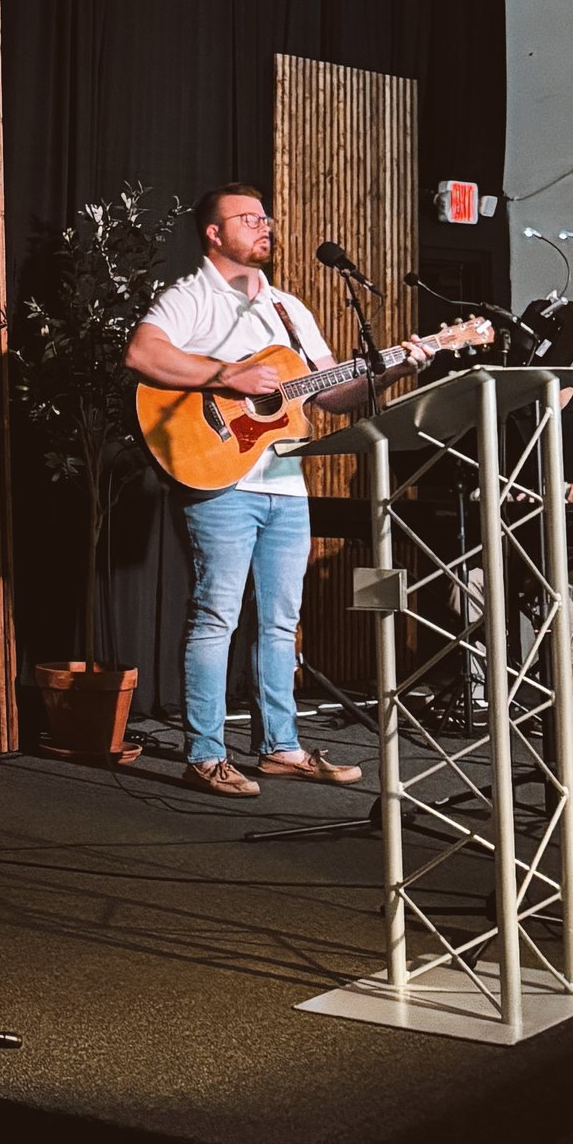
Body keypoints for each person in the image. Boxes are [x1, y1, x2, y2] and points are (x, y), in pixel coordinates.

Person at [125, 183, 384, 797]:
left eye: (265, 218)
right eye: (248, 219)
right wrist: (227, 375)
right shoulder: (191, 296)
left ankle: (281, 748)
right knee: (217, 615)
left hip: (286, 483)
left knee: (281, 621)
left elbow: (328, 392)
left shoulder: (288, 308)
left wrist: (392, 366)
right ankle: (206, 754)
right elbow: (142, 354)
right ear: (213, 233)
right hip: (220, 478)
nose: (264, 226)